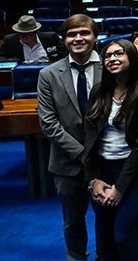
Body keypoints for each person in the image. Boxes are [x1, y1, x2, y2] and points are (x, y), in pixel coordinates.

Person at [84, 39, 138, 260]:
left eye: (119, 54)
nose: (112, 59)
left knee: (126, 237)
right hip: (103, 170)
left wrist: (121, 188)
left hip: (133, 173)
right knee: (105, 241)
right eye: (107, 56)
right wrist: (92, 180)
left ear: (131, 57)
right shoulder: (99, 91)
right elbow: (90, 139)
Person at [38, 14, 102, 260]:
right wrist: (83, 154)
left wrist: (96, 154)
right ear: (64, 40)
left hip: (106, 158)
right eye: (72, 34)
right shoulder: (48, 74)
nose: (78, 38)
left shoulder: (111, 67)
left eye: (84, 33)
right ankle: (77, 256)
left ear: (95, 37)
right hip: (67, 162)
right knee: (72, 221)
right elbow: (48, 123)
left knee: (107, 218)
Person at [0, 14, 65, 63]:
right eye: (23, 34)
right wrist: (15, 61)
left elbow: (66, 53)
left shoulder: (51, 37)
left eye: (30, 34)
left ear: (36, 32)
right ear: (18, 32)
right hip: (22, 75)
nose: (27, 36)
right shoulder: (10, 40)